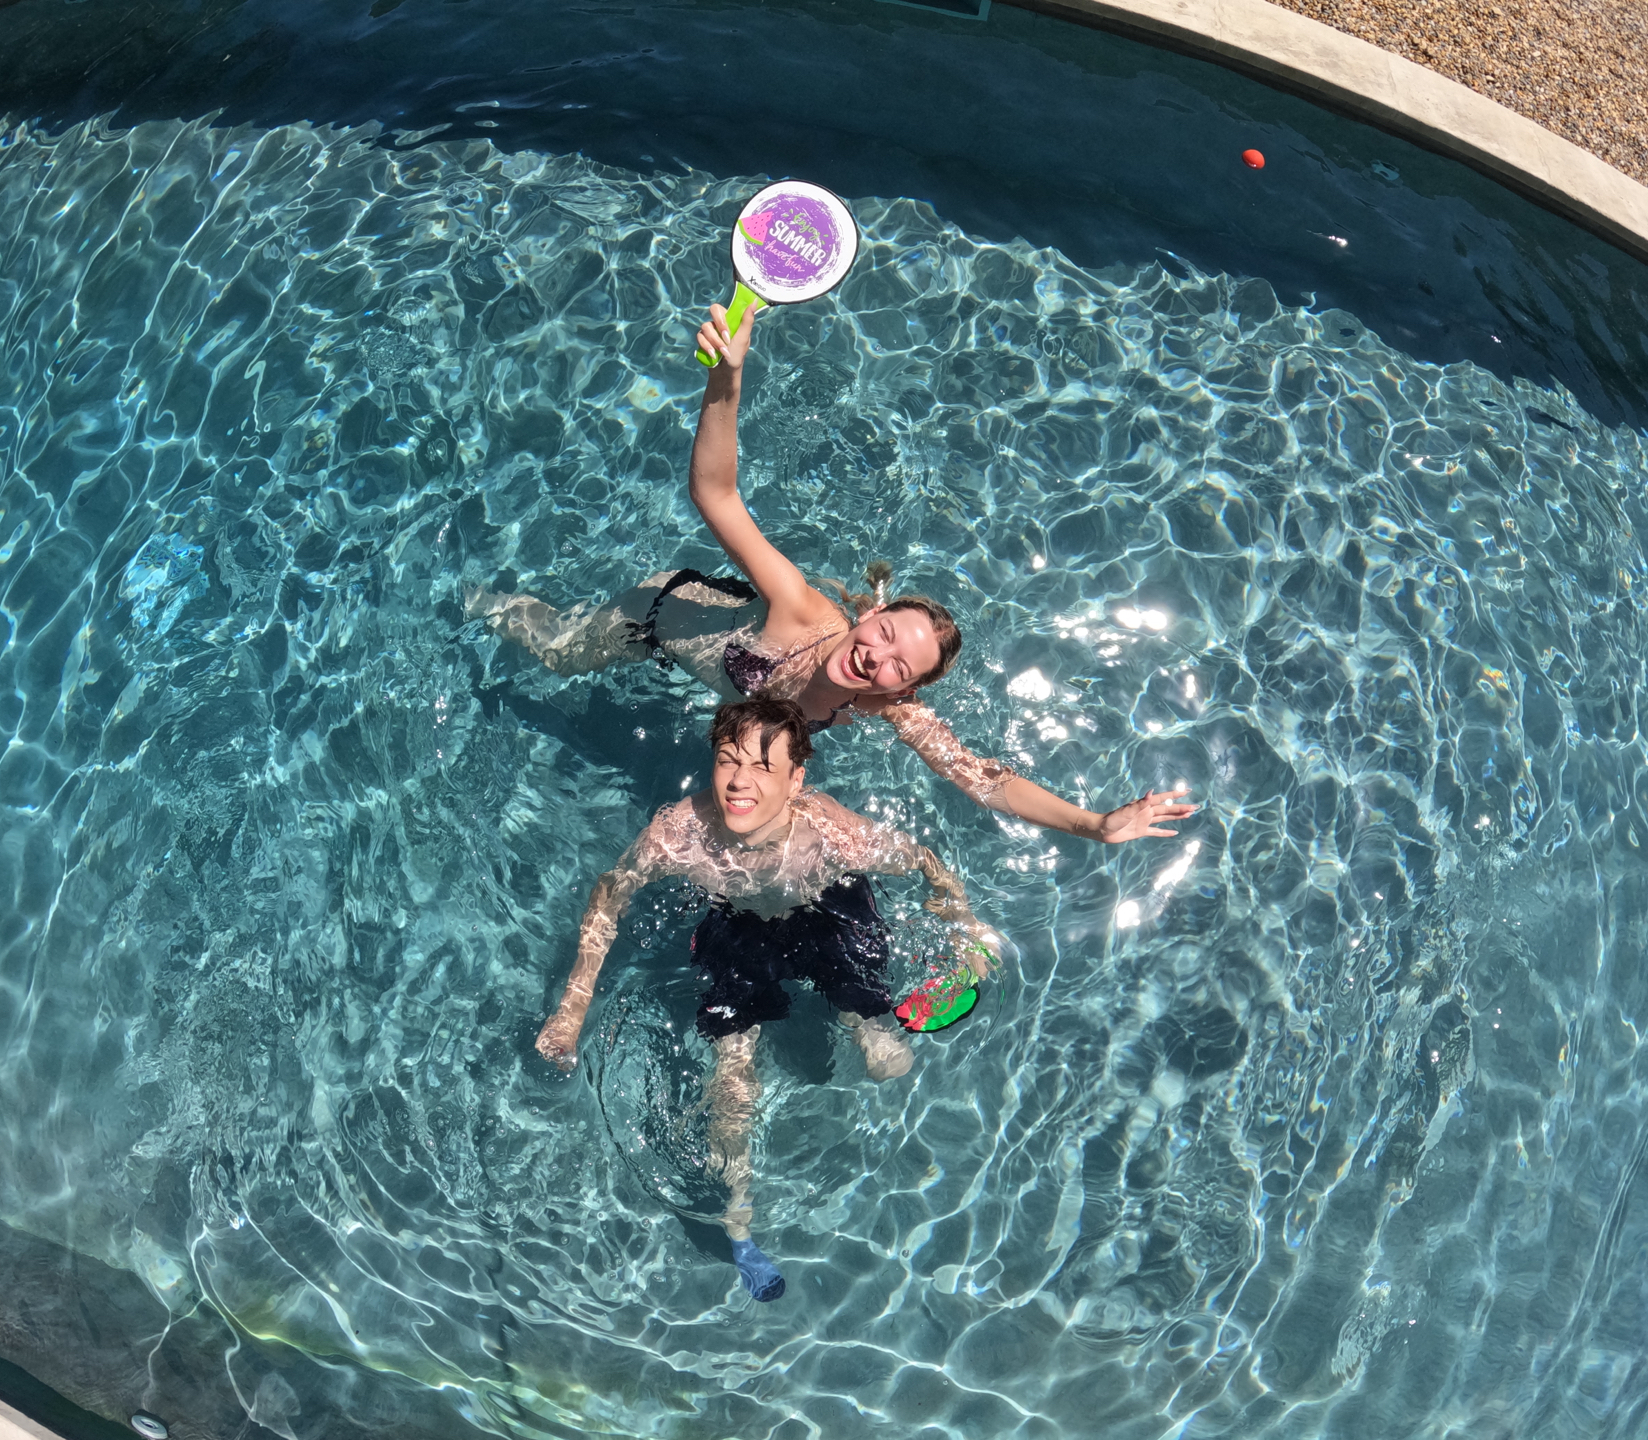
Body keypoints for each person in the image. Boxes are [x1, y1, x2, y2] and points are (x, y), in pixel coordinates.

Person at [468, 301, 1197, 846]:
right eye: (885, 634)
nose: (877, 658)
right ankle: (471, 599)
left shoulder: (880, 707)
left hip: (714, 681)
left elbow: (981, 778)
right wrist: (727, 376)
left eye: (899, 667)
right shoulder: (800, 610)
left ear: (903, 690)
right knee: (557, 654)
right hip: (657, 617)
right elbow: (716, 495)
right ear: (870, 615)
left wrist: (1093, 823)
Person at [534, 697, 998, 1302]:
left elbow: (926, 864)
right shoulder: (680, 835)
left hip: (827, 913)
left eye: (762, 765)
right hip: (739, 927)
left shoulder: (831, 833)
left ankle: (867, 1023)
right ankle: (738, 1219)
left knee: (889, 1059)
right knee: (733, 1082)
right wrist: (571, 1008)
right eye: (728, 761)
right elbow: (609, 896)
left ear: (795, 780)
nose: (739, 781)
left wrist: (967, 929)